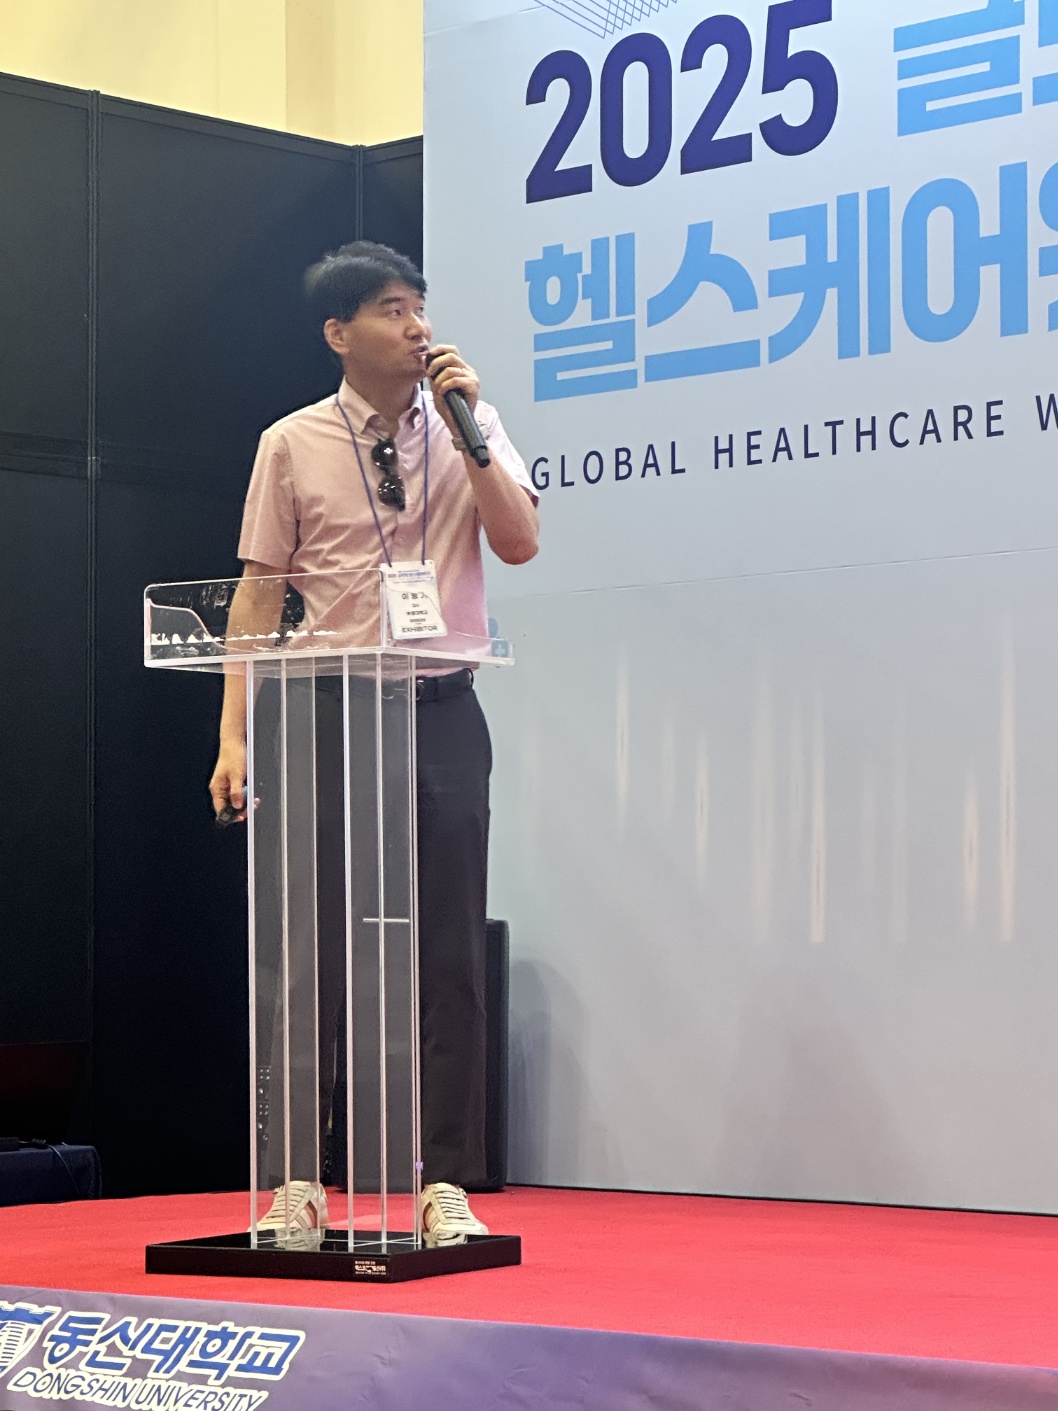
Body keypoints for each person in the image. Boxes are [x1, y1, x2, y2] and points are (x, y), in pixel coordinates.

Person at [208, 241, 538, 1245]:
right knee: (306, 951)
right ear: (338, 333)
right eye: (392, 309)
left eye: (419, 306)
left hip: (440, 707)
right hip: (321, 705)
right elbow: (258, 592)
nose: (416, 325)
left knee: (450, 950)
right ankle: (297, 1180)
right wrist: (232, 732)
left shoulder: (474, 424)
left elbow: (519, 541)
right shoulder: (291, 442)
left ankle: (446, 1182)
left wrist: (470, 433)